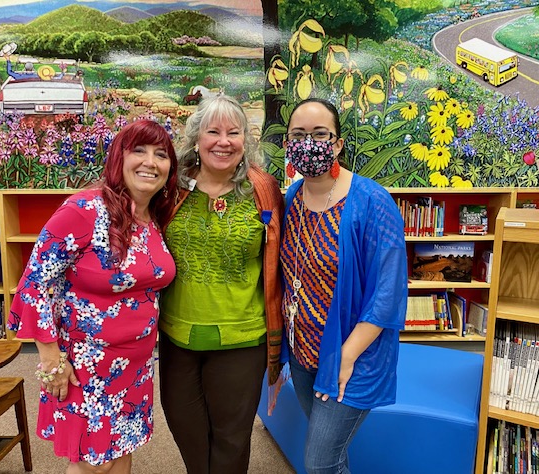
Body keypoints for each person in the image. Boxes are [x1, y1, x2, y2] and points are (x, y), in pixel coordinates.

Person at [8, 119, 178, 474]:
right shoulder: (84, 210)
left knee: (120, 452)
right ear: (119, 158)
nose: (150, 161)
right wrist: (51, 361)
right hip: (87, 365)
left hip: (136, 366)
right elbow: (33, 283)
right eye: (139, 151)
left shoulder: (155, 216)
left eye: (161, 154)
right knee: (93, 465)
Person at [280, 98, 408, 474]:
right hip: (303, 355)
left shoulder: (371, 201)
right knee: (333, 455)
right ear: (288, 143)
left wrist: (346, 356)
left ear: (336, 143)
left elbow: (388, 292)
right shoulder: (292, 199)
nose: (309, 143)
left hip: (353, 359)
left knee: (319, 462)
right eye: (298, 135)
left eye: (320, 134)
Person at [158, 94, 284, 474]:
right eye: (213, 131)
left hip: (242, 336)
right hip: (178, 334)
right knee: (186, 430)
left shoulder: (263, 188)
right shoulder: (171, 188)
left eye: (234, 132)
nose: (223, 141)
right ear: (196, 138)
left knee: (231, 438)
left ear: (246, 140)